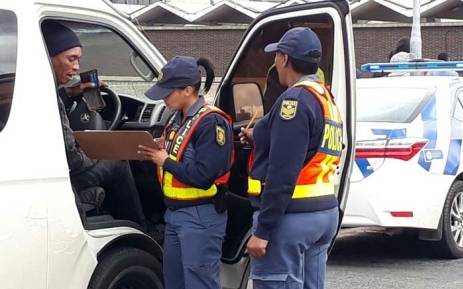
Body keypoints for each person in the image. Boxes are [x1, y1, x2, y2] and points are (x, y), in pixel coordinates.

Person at [240, 27, 342, 289]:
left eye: (277, 56)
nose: (274, 62)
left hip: (292, 217)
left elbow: (283, 172)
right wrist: (261, 136)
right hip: (323, 213)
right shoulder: (325, 98)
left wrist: (263, 231)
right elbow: (313, 147)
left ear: (285, 59)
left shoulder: (294, 101)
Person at [137, 56, 233, 289]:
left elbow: (204, 175)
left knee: (200, 283)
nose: (164, 98)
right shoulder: (177, 119)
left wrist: (165, 161)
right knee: (174, 282)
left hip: (201, 216)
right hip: (176, 214)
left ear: (188, 90)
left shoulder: (211, 122)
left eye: (168, 93)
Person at [42, 20, 147, 226]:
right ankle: (140, 226)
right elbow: (74, 161)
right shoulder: (47, 96)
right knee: (118, 163)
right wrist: (99, 151)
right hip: (63, 175)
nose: (77, 67)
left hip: (49, 170)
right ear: (49, 57)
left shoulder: (40, 90)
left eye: (78, 60)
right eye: (71, 59)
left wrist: (71, 92)